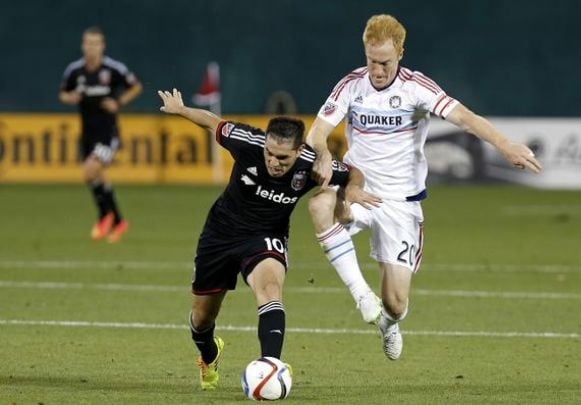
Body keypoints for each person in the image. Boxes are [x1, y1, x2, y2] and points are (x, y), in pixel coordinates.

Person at [306, 14, 543, 361]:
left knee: (397, 303)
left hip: (401, 203)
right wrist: (324, 152)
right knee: (319, 206)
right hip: (357, 189)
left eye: (385, 62)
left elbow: (465, 118)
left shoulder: (416, 88)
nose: (377, 70)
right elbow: (316, 133)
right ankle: (361, 295)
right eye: (372, 60)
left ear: (400, 52)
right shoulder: (351, 86)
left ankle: (389, 322)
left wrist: (505, 146)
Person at [157, 88, 377, 390]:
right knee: (202, 319)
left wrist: (350, 191)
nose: (273, 161)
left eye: (282, 157)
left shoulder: (311, 165)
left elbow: (353, 173)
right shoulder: (248, 142)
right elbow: (212, 122)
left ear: (299, 152)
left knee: (271, 289)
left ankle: (271, 367)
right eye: (270, 154)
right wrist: (181, 110)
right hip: (220, 234)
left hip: (266, 236)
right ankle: (209, 354)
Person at [59, 26, 143, 243]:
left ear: (103, 46)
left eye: (96, 43)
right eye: (88, 43)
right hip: (87, 134)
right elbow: (63, 93)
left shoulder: (113, 69)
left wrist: (119, 102)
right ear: (83, 45)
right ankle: (118, 221)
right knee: (97, 176)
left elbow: (136, 86)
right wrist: (71, 98)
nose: (91, 47)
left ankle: (104, 215)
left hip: (108, 133)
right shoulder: (74, 71)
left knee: (89, 172)